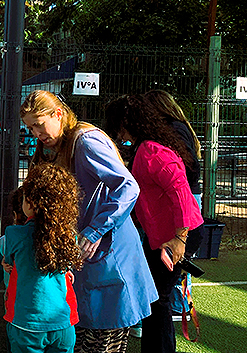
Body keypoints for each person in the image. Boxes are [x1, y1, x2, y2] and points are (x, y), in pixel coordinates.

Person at [20, 90, 156, 353]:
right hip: (91, 256)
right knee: (85, 338)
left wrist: (95, 230)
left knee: (103, 343)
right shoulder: (63, 143)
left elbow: (129, 187)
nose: (36, 133)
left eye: (39, 124)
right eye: (31, 128)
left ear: (58, 114)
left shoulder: (86, 142)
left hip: (110, 254)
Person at [104, 95, 204, 353]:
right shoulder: (143, 148)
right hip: (163, 235)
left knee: (158, 299)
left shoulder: (151, 150)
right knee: (153, 298)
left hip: (176, 234)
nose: (117, 133)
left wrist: (179, 239)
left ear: (125, 123)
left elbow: (180, 191)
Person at [3, 164, 82, 353]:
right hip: (63, 323)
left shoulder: (14, 234)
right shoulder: (69, 236)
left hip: (26, 323)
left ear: (30, 203)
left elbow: (8, 261)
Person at [144, 90, 202, 204]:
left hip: (186, 194)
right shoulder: (176, 126)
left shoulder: (175, 128)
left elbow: (191, 165)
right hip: (184, 192)